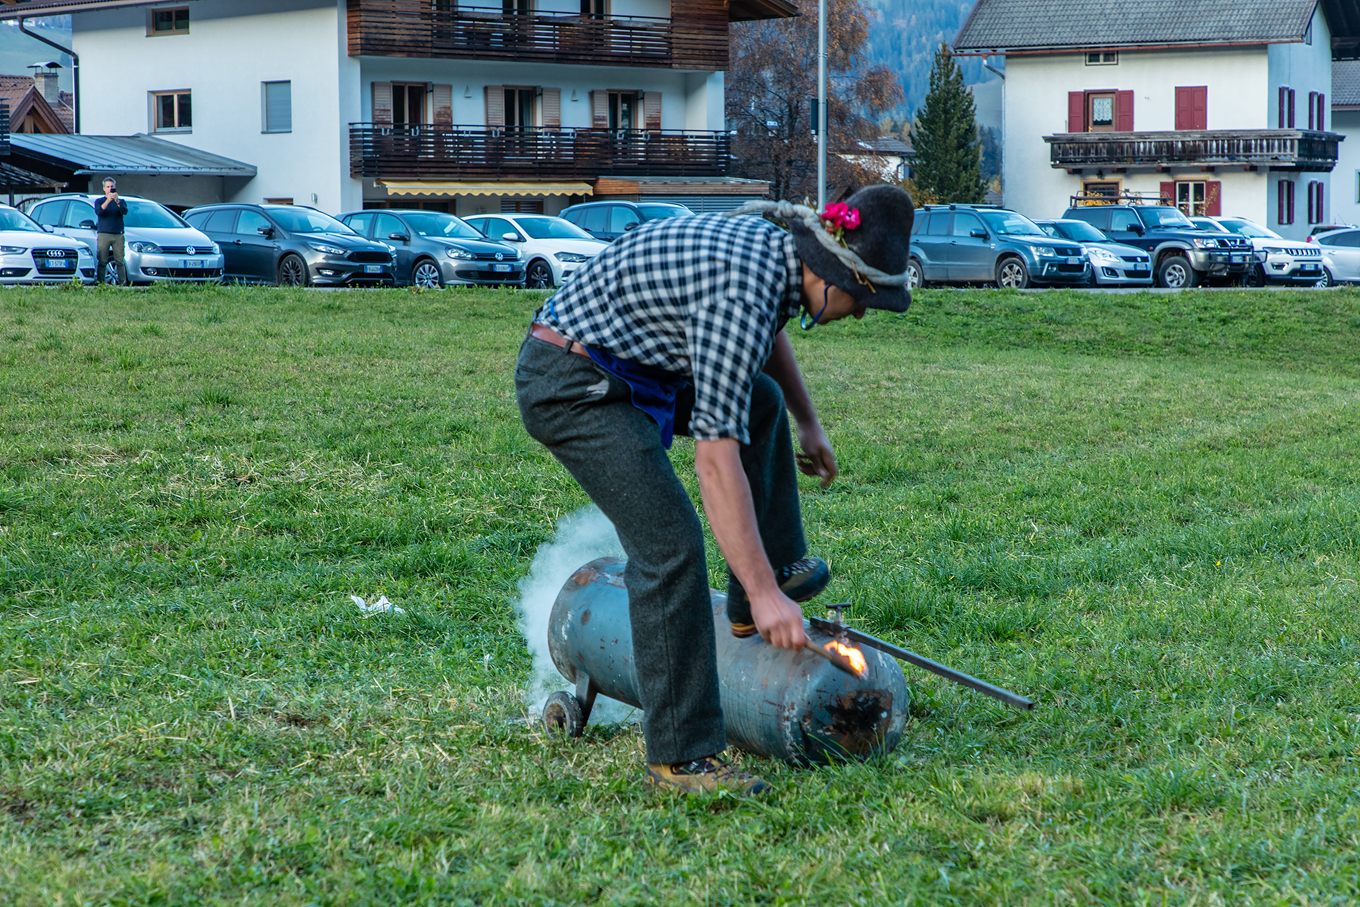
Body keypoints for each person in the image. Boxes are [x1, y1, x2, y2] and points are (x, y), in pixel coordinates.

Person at [515, 185, 914, 796]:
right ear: (832, 272)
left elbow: (764, 343)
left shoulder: (779, 261)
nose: (859, 314)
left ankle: (761, 593)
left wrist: (807, 421)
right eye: (861, 300)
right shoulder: (741, 293)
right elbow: (715, 460)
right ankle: (680, 760)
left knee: (762, 402)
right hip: (573, 382)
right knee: (669, 544)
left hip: (631, 362)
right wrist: (760, 592)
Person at [95, 178, 128, 286]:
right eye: (108, 187)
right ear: (104, 188)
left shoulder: (121, 201)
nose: (110, 189)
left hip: (118, 234)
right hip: (104, 234)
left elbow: (124, 211)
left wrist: (117, 201)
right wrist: (108, 200)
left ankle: (122, 283)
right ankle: (101, 283)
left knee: (119, 260)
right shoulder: (99, 201)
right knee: (102, 260)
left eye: (112, 187)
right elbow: (99, 211)